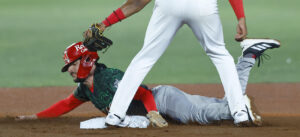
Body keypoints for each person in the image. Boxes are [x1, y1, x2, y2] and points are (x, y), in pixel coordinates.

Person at [85, 0, 251, 126]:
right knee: (220, 55)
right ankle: (239, 112)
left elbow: (139, 1)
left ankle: (115, 115)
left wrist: (106, 23)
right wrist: (240, 17)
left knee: (144, 57)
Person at [16, 38, 281, 127]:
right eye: (68, 67)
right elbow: (65, 104)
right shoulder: (86, 89)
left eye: (72, 65)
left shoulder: (110, 78)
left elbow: (142, 94)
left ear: (86, 61)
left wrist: (153, 111)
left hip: (164, 101)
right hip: (162, 104)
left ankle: (248, 58)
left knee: (214, 114)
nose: (70, 71)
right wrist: (35, 117)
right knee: (228, 106)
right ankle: (247, 63)